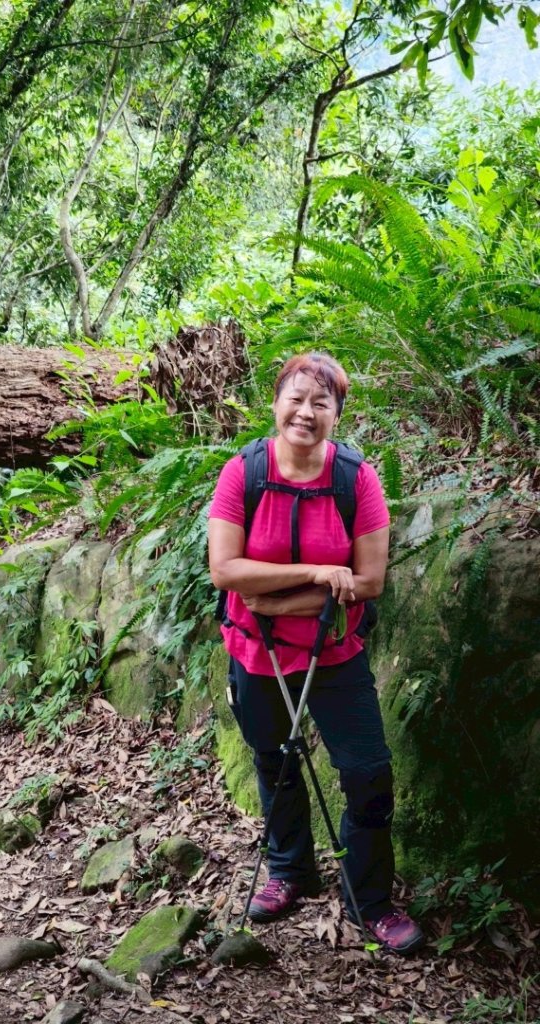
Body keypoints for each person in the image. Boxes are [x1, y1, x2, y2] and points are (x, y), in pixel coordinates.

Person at [207, 352, 424, 956]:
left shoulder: (356, 479)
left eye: (320, 402)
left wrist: (275, 601)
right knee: (275, 761)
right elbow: (225, 569)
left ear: (337, 414)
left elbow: (371, 579)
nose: (306, 412)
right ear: (276, 403)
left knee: (368, 773)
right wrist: (318, 574)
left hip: (332, 652)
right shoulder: (243, 473)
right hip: (257, 655)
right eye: (296, 399)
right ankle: (289, 872)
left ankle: (369, 901)